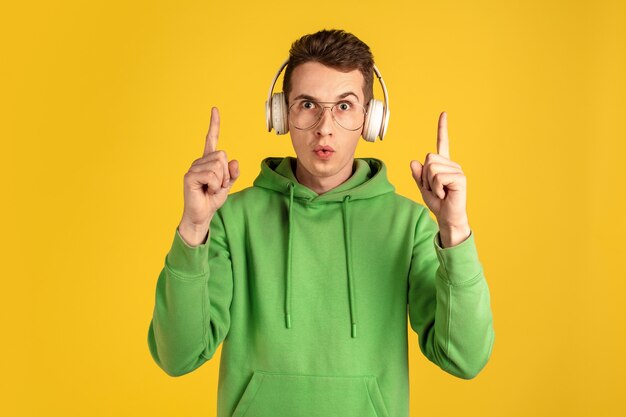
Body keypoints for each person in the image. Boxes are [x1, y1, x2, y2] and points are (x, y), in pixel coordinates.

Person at [147, 29, 495, 417]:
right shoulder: (231, 219)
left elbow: (465, 358)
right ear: (280, 114)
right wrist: (193, 230)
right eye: (308, 104)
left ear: (371, 118)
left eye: (345, 106)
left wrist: (455, 231)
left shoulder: (409, 225)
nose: (324, 127)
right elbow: (177, 356)